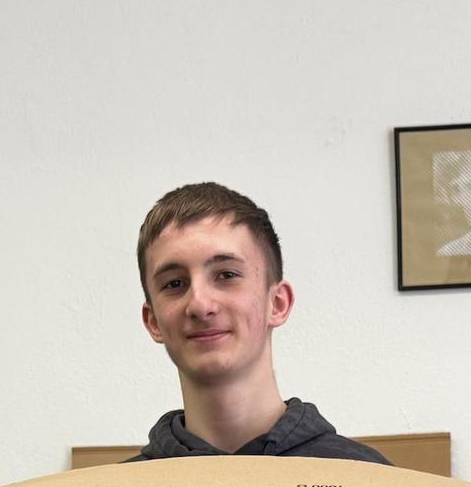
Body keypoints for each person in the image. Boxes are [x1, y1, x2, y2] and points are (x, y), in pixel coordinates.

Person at [129, 181, 388, 463]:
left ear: (277, 303)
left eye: (226, 275)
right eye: (174, 283)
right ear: (153, 320)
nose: (201, 305)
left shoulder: (371, 483)